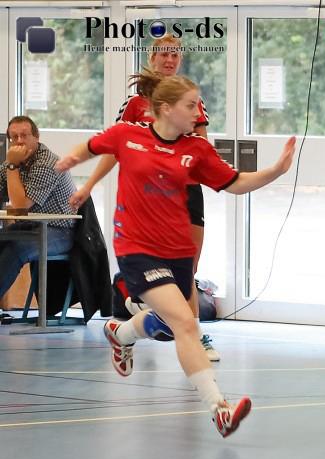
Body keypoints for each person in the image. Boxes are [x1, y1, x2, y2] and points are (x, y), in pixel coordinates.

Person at [55, 71, 296, 437]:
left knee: (169, 326)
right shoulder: (128, 135)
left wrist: (276, 171)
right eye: (190, 106)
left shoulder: (195, 150)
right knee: (186, 323)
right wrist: (73, 160)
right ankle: (219, 409)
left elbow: (235, 183)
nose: (197, 113)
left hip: (178, 250)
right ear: (166, 109)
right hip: (136, 247)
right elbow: (93, 146)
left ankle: (122, 334)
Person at [70, 35, 220, 361]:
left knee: (189, 267)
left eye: (175, 55)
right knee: (154, 267)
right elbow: (113, 148)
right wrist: (89, 185)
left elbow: (203, 147)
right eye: (164, 54)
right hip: (148, 195)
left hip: (185, 192)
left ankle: (191, 333)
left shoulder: (192, 101)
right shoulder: (135, 104)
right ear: (152, 58)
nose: (169, 60)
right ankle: (157, 319)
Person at [1, 116, 77, 300]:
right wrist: (11, 165)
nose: (19, 141)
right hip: (33, 226)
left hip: (63, 231)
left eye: (24, 135)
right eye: (14, 137)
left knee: (16, 248)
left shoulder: (48, 163)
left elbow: (21, 206)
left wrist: (12, 165)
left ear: (36, 137)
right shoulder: (12, 163)